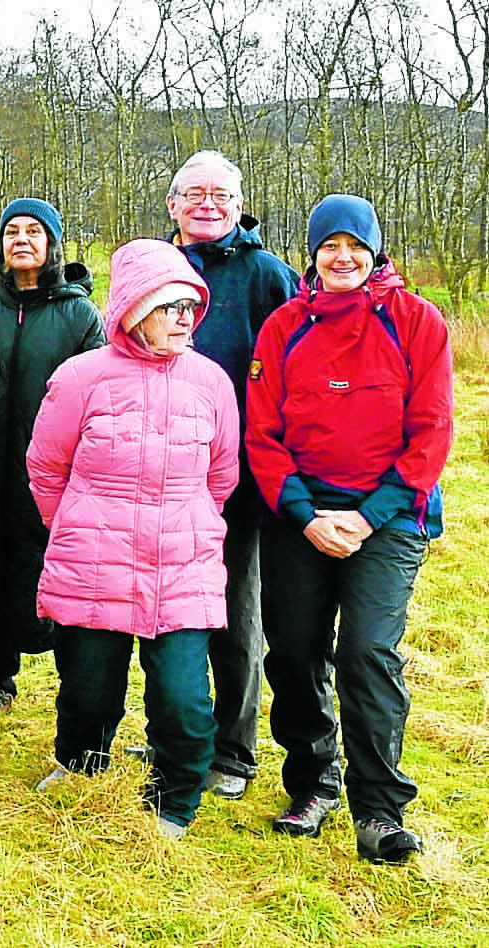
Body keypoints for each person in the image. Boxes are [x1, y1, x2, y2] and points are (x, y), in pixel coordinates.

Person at [248, 195, 453, 862]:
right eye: (328, 246)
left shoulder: (416, 322)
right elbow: (262, 433)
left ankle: (378, 809)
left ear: (374, 252)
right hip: (301, 515)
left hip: (388, 517)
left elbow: (430, 433)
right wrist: (306, 517)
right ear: (311, 253)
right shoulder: (283, 327)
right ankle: (311, 784)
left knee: (366, 651)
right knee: (294, 648)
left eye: (353, 246)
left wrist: (366, 518)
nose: (341, 258)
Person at [27, 238, 239, 840]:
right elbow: (47, 468)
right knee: (89, 688)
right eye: (168, 306)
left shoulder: (211, 383)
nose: (182, 319)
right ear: (132, 309)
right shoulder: (81, 378)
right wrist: (75, 529)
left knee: (183, 700)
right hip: (95, 560)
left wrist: (184, 527)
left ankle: (175, 796)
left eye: (188, 308)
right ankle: (80, 764)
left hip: (182, 568)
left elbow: (221, 475)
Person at [161, 150, 298, 800]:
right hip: (161, 474)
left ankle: (234, 751)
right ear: (173, 206)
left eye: (220, 194)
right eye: (194, 194)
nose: (207, 204)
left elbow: (298, 362)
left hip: (238, 479)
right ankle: (176, 733)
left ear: (238, 203)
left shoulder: (266, 274)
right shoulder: (157, 269)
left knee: (231, 612)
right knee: (168, 611)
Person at [0, 198, 104, 717]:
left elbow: (97, 395)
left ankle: (75, 689)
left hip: (52, 471)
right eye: (12, 230)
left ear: (52, 243)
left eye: (34, 231)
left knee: (51, 569)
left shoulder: (78, 314)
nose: (21, 239)